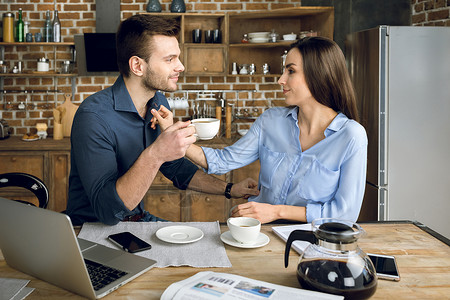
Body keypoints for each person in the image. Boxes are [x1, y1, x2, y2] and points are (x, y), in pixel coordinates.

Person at [66, 14, 258, 226]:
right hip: (92, 231)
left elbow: (175, 167)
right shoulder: (94, 117)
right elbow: (109, 212)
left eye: (178, 57)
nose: (181, 67)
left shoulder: (157, 101)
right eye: (170, 59)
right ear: (138, 66)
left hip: (138, 221)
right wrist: (157, 152)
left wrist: (229, 189)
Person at [152, 37, 368, 224]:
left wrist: (275, 211)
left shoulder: (351, 136)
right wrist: (172, 132)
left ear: (319, 75)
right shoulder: (271, 121)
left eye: (290, 71)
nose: (281, 80)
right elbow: (223, 160)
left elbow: (345, 214)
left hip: (310, 239)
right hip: (259, 233)